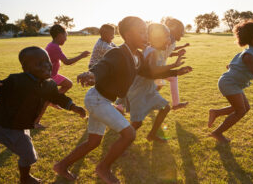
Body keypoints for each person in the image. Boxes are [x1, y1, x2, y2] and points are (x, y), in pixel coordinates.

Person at [53, 16, 192, 184]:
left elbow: (150, 74)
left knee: (93, 142)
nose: (146, 36)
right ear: (127, 34)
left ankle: (61, 166)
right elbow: (104, 66)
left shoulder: (138, 57)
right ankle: (103, 168)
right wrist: (92, 74)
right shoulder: (118, 52)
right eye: (141, 32)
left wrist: (176, 72)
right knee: (129, 133)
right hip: (97, 99)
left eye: (146, 32)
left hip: (102, 100)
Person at [0, 46, 86, 184]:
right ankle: (25, 178)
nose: (46, 65)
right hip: (2, 123)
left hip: (17, 125)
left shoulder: (49, 84)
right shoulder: (16, 80)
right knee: (28, 154)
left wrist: (74, 107)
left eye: (47, 61)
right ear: (26, 68)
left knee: (14, 141)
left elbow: (58, 97)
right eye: (39, 63)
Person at [124, 23, 191, 143]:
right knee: (137, 123)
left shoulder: (158, 50)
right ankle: (122, 142)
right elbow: (153, 71)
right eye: (166, 36)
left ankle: (152, 135)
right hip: (139, 90)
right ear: (157, 38)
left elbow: (157, 71)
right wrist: (174, 67)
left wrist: (175, 70)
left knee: (165, 108)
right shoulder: (152, 51)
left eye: (168, 36)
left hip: (149, 87)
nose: (169, 39)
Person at [34, 24, 90, 128]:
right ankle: (36, 122)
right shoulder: (54, 47)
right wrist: (81, 56)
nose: (66, 38)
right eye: (65, 35)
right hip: (48, 78)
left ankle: (54, 100)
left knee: (68, 84)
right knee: (46, 101)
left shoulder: (53, 45)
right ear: (59, 35)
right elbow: (67, 62)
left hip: (54, 75)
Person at [157, 18, 190, 108]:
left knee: (159, 84)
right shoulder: (169, 39)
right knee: (172, 78)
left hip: (160, 66)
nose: (183, 33)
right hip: (156, 66)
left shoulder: (172, 40)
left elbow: (168, 52)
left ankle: (147, 99)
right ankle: (176, 104)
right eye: (182, 31)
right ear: (176, 31)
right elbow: (165, 50)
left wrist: (178, 53)